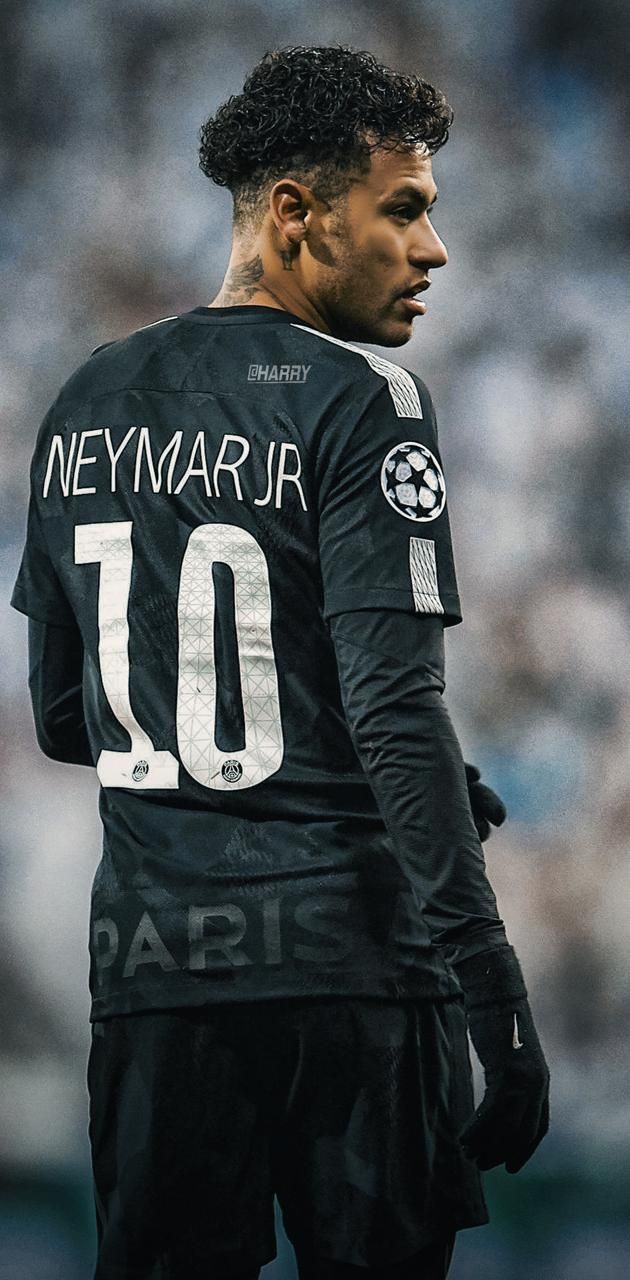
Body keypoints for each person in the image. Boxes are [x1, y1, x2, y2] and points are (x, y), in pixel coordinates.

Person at [11, 44, 549, 1280]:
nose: (435, 249)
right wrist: (494, 989)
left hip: (153, 978)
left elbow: (63, 714)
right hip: (354, 973)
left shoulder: (85, 398)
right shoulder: (365, 398)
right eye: (404, 209)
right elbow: (396, 714)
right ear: (297, 214)